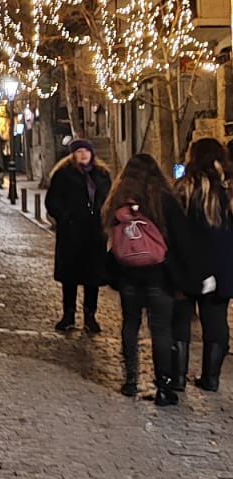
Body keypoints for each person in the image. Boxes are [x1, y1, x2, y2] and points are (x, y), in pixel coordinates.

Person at [102, 151, 203, 404]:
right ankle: (164, 386)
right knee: (160, 330)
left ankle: (131, 381)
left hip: (128, 275)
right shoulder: (163, 199)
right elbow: (181, 239)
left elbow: (108, 237)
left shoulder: (119, 200)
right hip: (159, 275)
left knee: (130, 324)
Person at [171, 137, 233, 393]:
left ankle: (178, 378)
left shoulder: (184, 188)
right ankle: (211, 378)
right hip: (221, 265)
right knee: (216, 322)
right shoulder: (228, 189)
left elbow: (172, 227)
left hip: (186, 264)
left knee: (180, 321)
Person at [45, 137, 111, 333]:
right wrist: (66, 218)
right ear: (73, 154)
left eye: (86, 151)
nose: (83, 154)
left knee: (93, 278)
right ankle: (69, 315)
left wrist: (104, 217)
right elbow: (52, 200)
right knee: (70, 276)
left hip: (95, 233)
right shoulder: (64, 175)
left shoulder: (102, 175)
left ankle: (90, 316)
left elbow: (108, 198)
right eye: (79, 151)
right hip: (72, 233)